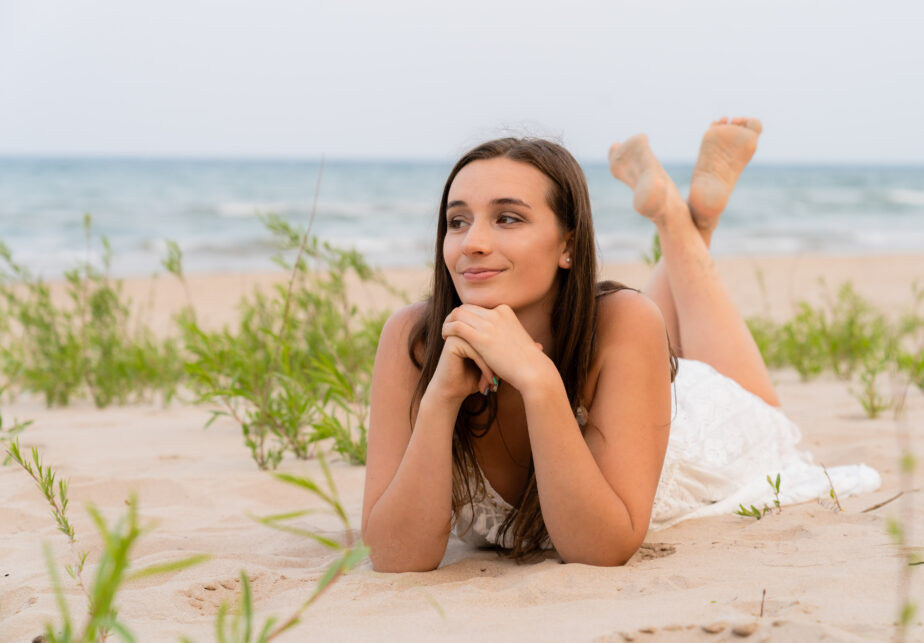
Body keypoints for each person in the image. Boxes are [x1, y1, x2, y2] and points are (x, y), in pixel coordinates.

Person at [361, 119, 879, 572]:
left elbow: (601, 549)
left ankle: (680, 224)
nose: (472, 242)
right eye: (458, 221)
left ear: (568, 244)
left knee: (763, 410)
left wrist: (539, 383)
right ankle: (688, 224)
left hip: (693, 421)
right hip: (617, 350)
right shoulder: (414, 339)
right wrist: (440, 401)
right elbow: (395, 557)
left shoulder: (626, 322)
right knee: (621, 316)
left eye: (508, 218)